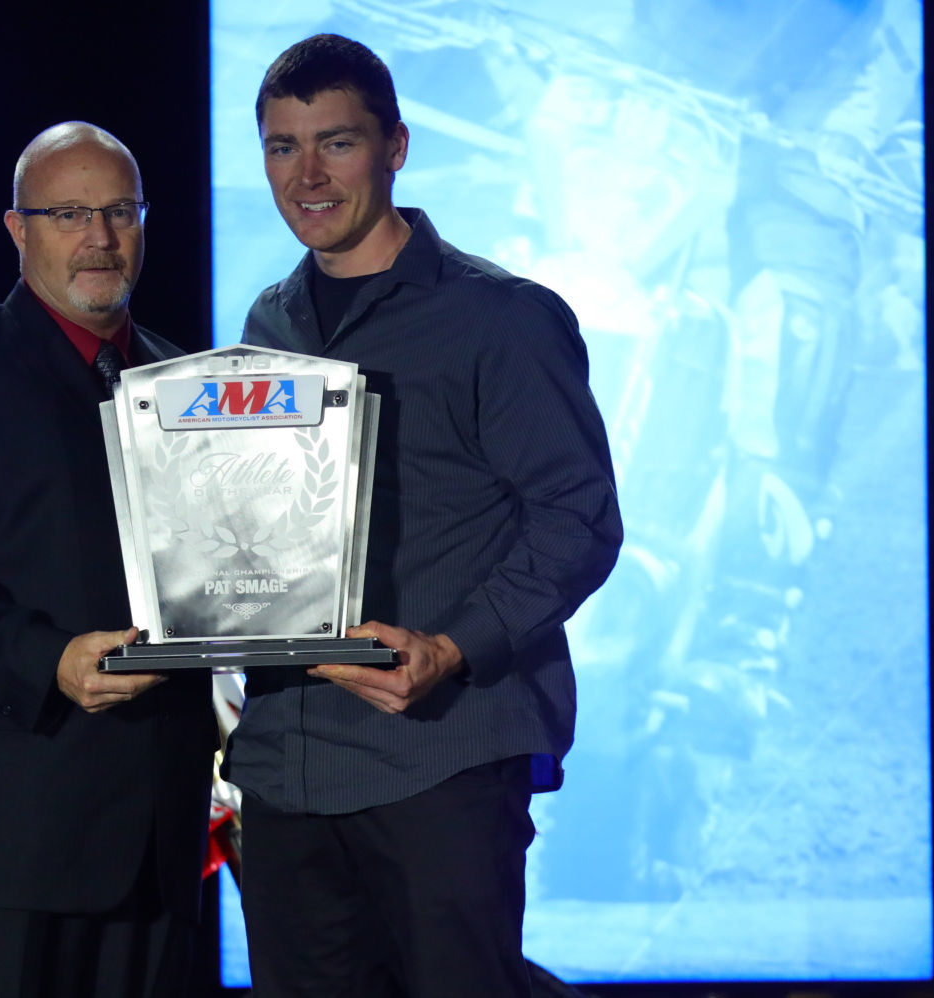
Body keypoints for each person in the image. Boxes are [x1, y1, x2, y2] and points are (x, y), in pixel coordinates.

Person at [226, 35, 624, 997]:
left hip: (440, 764)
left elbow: (579, 519)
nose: (307, 175)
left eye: (337, 143)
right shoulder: (267, 325)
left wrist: (451, 648)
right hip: (288, 772)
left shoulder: (500, 318)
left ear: (396, 146)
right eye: (282, 147)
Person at [0, 122, 215, 997]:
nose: (99, 236)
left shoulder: (185, 385)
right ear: (18, 230)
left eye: (120, 211)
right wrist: (47, 660)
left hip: (154, 852)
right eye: (68, 213)